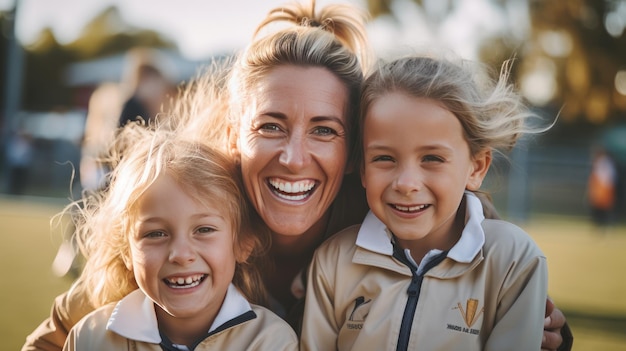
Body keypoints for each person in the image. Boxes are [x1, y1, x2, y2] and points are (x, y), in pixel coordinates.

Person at [21, 1, 571, 350]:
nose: (293, 157)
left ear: (356, 152)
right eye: (271, 125)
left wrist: (551, 335)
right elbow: (55, 337)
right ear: (234, 135)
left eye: (325, 131)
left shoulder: (391, 215)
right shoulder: (186, 213)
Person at [301, 54, 551, 350]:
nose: (406, 184)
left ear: (477, 167)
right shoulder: (333, 261)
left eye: (431, 158)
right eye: (384, 158)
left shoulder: (513, 260)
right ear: (363, 168)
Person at [61, 122, 297, 351]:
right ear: (127, 251)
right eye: (155, 234)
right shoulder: (90, 338)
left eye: (204, 230)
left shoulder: (269, 341)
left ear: (243, 243)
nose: (181, 255)